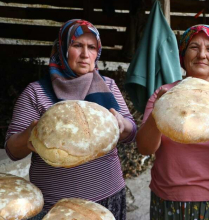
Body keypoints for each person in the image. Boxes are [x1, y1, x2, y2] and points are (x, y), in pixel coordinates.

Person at [5, 19, 137, 219]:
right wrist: (31, 135)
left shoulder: (108, 86)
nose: (85, 54)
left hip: (108, 198)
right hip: (57, 207)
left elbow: (131, 132)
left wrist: (122, 123)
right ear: (62, 48)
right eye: (77, 45)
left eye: (91, 47)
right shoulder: (36, 93)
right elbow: (12, 150)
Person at [136, 25, 209, 220]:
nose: (202, 55)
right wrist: (158, 113)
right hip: (168, 197)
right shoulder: (164, 95)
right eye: (194, 47)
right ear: (183, 54)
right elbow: (145, 148)